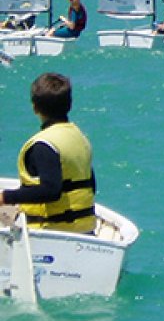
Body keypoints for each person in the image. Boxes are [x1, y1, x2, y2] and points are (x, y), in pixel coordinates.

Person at [0, 72, 96, 234]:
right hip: (85, 229)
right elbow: (91, 185)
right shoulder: (80, 138)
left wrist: (6, 197)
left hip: (49, 232)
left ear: (35, 107)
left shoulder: (43, 145)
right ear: (70, 104)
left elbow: (50, 190)